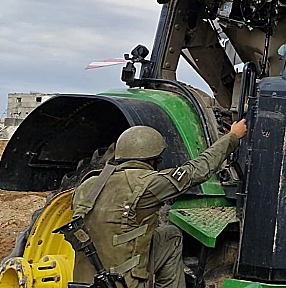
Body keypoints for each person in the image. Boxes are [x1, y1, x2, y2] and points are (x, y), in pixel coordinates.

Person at [71, 119, 248, 288]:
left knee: (166, 234)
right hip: (122, 281)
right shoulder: (149, 183)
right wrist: (232, 137)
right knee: (172, 237)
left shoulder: (88, 184)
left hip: (85, 281)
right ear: (152, 160)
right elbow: (198, 170)